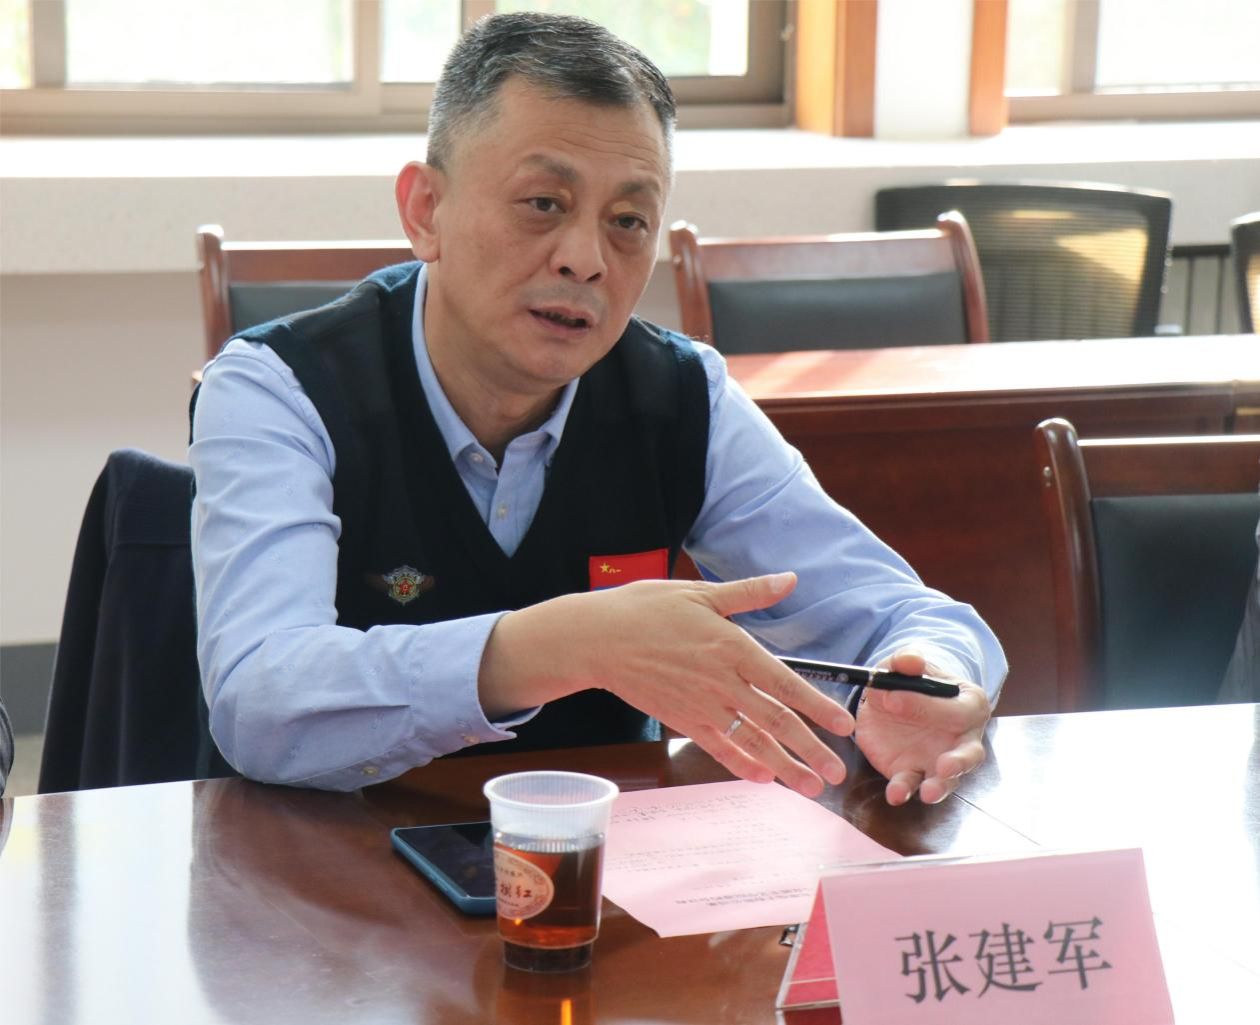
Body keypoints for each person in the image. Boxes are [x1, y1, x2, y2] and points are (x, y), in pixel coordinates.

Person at [190, 12, 1006, 803]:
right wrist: (570, 644)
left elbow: (905, 614)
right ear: (425, 210)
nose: (585, 259)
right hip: (323, 864)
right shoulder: (276, 388)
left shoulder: (681, 396)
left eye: (627, 221)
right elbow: (259, 700)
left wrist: (931, 675)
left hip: (601, 863)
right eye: (543, 203)